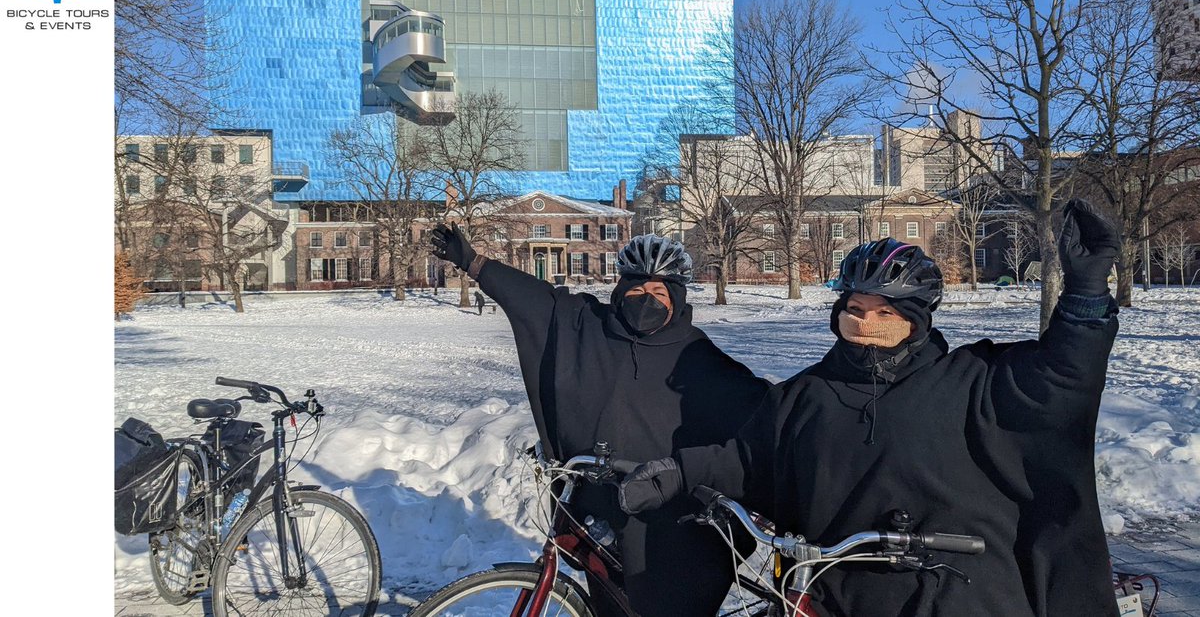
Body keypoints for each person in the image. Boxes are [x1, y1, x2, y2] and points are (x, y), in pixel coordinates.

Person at [618, 199, 1121, 617]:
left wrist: (1086, 293)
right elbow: (749, 459)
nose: (867, 322)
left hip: (961, 591)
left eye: (886, 312)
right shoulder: (806, 394)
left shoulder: (974, 381)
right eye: (856, 310)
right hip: (836, 596)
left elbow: (1062, 376)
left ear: (916, 319)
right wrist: (677, 472)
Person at [430, 225, 769, 617]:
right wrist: (474, 262)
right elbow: (532, 300)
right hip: (599, 499)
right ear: (621, 290)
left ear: (677, 298)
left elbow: (759, 412)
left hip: (670, 515)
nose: (647, 300)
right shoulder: (585, 324)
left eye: (659, 293)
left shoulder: (699, 359)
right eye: (638, 290)